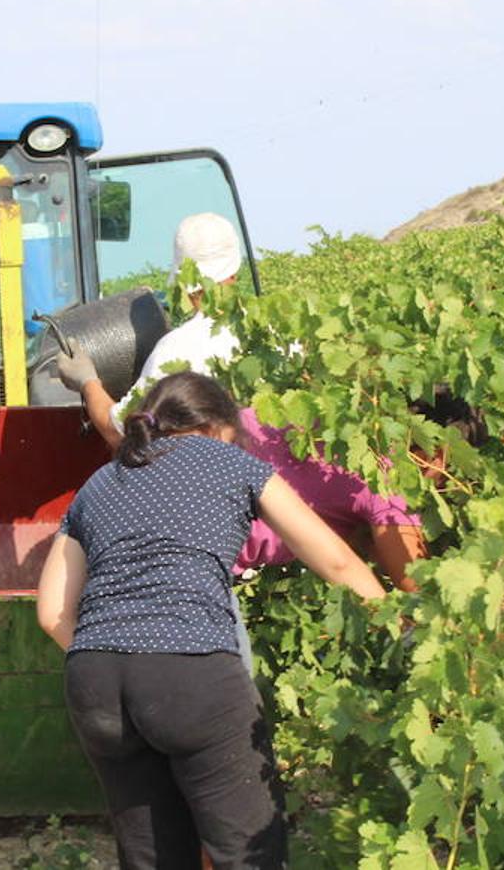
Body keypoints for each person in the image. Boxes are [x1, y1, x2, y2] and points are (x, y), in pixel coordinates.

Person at [37, 372, 386, 869]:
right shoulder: (231, 462)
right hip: (189, 668)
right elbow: (335, 561)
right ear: (220, 427)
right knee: (249, 854)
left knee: (153, 858)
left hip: (94, 680)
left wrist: (116, 653)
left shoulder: (98, 483)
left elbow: (51, 613)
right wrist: (396, 619)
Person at [57, 212, 427, 594]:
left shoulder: (176, 349)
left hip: (217, 538)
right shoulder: (287, 334)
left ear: (185, 282)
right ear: (236, 269)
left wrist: (88, 382)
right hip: (302, 540)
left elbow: (121, 434)